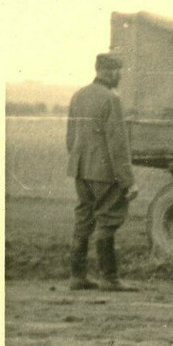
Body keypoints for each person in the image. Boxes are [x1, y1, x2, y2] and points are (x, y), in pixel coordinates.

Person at [65, 52, 135, 291]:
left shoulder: (78, 96)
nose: (120, 76)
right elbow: (118, 144)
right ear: (111, 72)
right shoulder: (111, 99)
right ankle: (109, 278)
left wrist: (80, 163)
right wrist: (128, 180)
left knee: (84, 218)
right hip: (104, 173)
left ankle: (77, 276)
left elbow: (70, 138)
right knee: (108, 218)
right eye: (118, 71)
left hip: (80, 170)